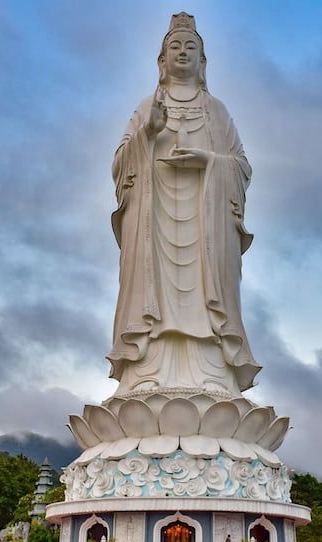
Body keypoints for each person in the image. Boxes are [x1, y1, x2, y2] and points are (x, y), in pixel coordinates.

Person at [108, 12, 261, 396]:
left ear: (202, 60)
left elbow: (241, 166)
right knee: (151, 291)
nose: (182, 52)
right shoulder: (146, 107)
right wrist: (148, 132)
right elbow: (120, 165)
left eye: (190, 47)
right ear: (161, 60)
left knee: (206, 296)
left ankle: (213, 372)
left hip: (205, 224)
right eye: (174, 46)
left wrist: (207, 161)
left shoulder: (217, 112)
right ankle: (147, 371)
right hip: (154, 219)